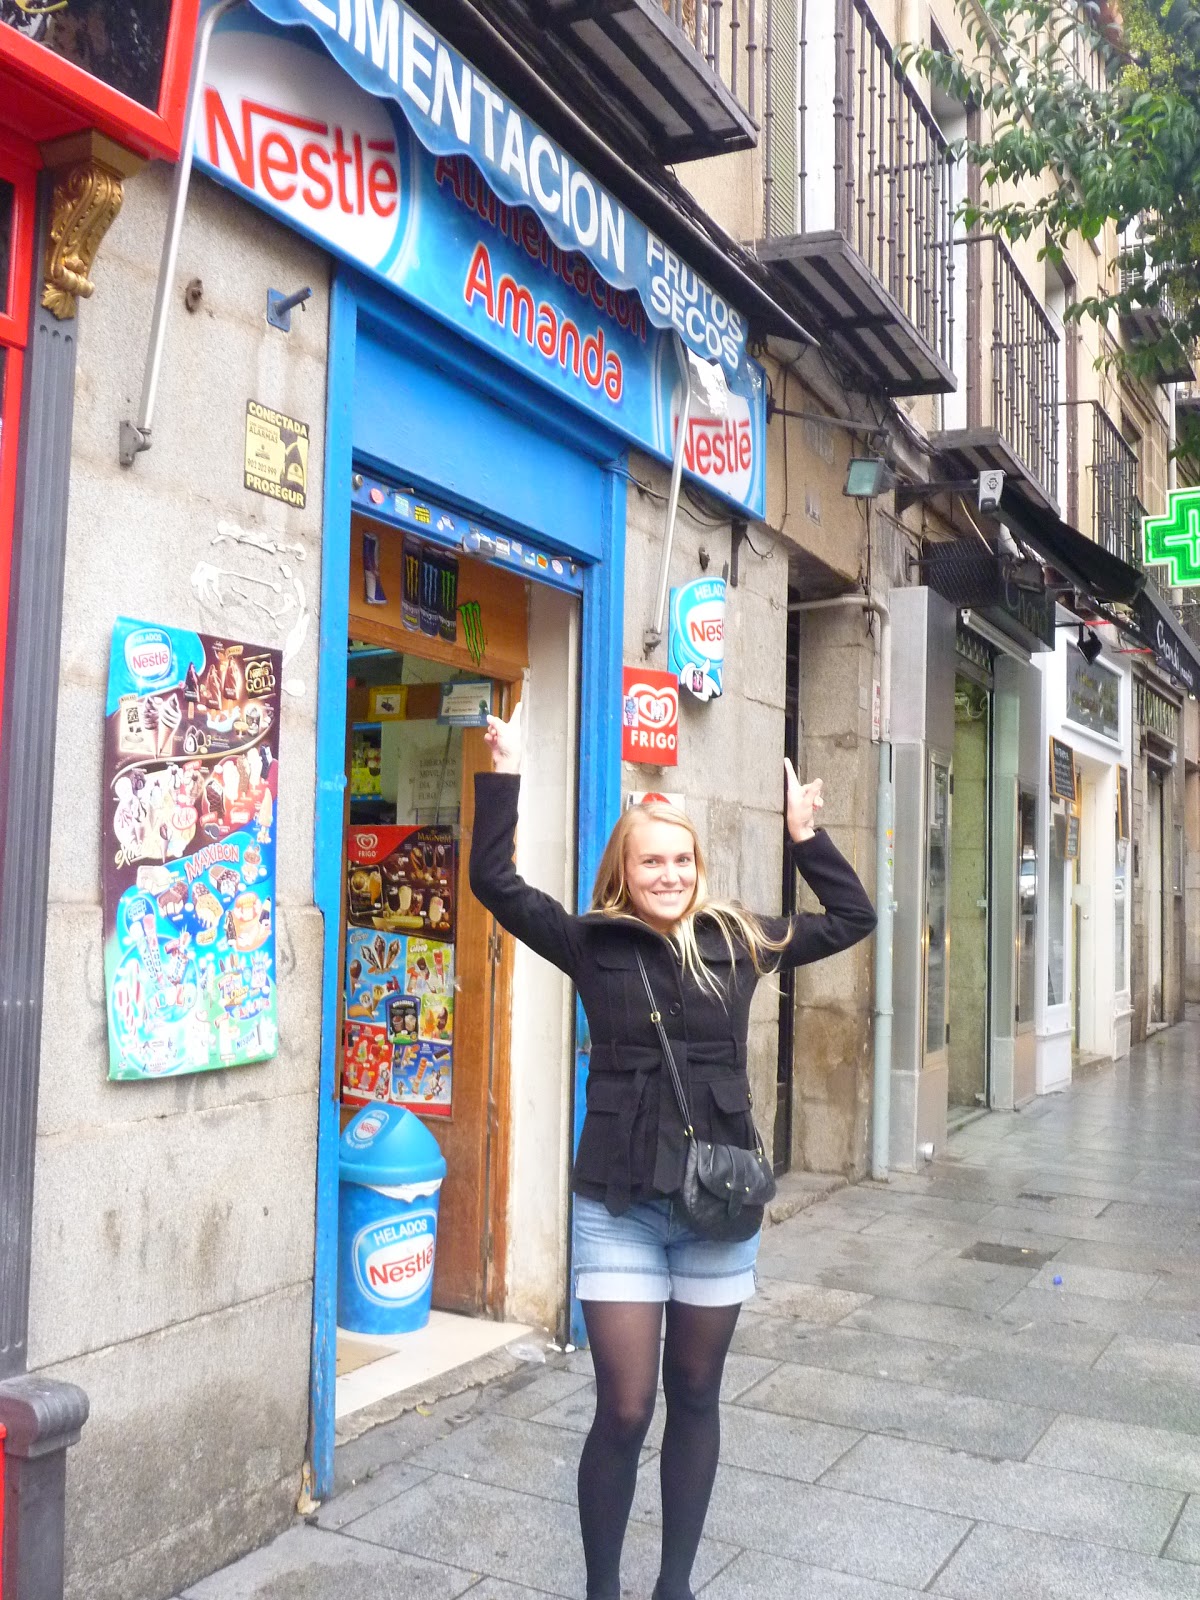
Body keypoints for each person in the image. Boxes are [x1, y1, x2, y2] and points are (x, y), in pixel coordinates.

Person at [469, 701, 877, 1600]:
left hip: (717, 1203)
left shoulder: (738, 941)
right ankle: (603, 1589)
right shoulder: (589, 942)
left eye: (682, 860)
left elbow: (853, 916)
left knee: (695, 1392)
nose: (669, 874)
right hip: (618, 1203)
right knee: (625, 1407)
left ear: (699, 868)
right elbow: (494, 882)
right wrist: (506, 772)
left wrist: (806, 836)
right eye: (652, 861)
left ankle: (675, 1585)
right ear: (625, 869)